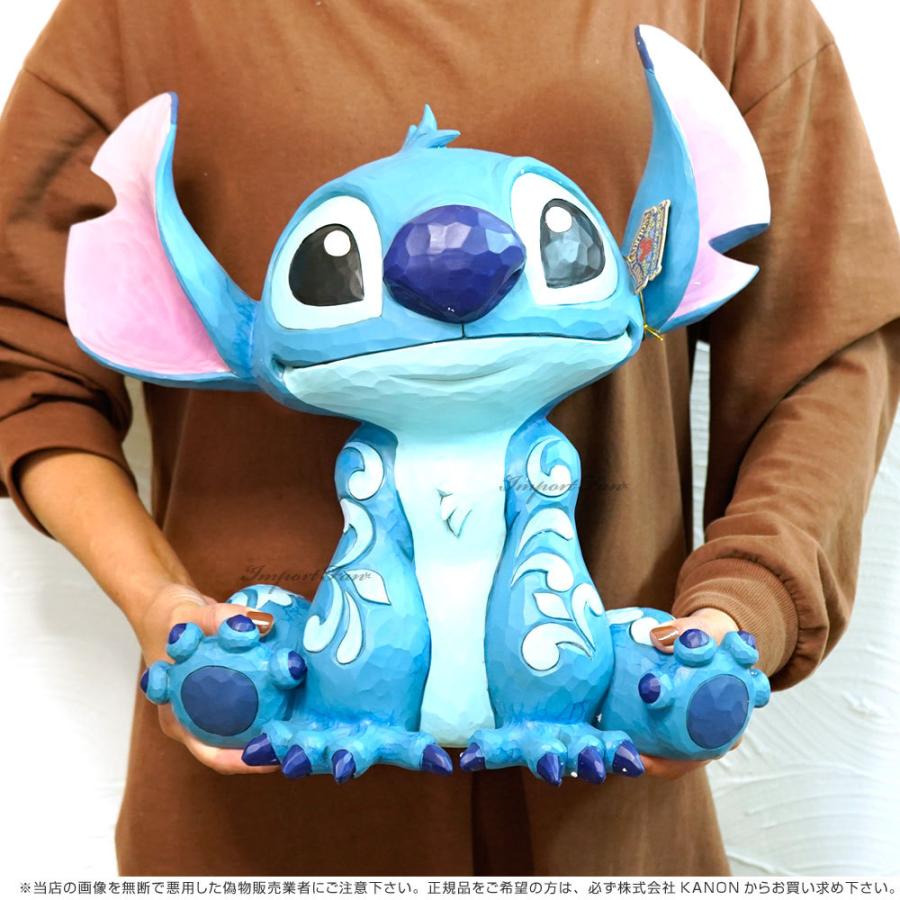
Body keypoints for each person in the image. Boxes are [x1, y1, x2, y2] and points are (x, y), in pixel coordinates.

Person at [0, 0, 897, 877]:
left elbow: (825, 350)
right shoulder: (131, 16)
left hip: (607, 798)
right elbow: (22, 357)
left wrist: (734, 616)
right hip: (253, 815)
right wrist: (163, 609)